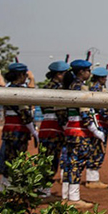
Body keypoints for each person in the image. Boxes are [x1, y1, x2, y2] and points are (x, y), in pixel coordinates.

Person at [62, 59, 103, 208]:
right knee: (77, 163)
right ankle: (74, 198)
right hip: (79, 130)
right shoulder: (80, 88)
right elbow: (85, 113)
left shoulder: (70, 86)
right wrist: (95, 130)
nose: (89, 74)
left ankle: (67, 196)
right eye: (88, 71)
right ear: (81, 72)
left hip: (70, 129)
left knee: (70, 162)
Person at [0, 63, 39, 190]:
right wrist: (34, 131)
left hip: (9, 129)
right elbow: (25, 115)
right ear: (20, 75)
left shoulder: (9, 89)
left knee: (9, 158)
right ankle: (12, 187)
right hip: (19, 130)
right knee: (17, 159)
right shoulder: (19, 91)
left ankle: (4, 186)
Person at [39, 60, 69, 197]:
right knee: (51, 161)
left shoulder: (46, 87)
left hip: (45, 126)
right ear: (58, 74)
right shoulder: (59, 89)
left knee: (44, 158)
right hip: (55, 127)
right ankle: (44, 191)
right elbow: (61, 111)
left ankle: (42, 189)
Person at [85, 66, 108, 189]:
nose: (105, 79)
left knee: (95, 149)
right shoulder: (98, 90)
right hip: (98, 122)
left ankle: (92, 178)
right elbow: (102, 109)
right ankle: (92, 179)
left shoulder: (92, 88)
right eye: (104, 78)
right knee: (97, 150)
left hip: (97, 122)